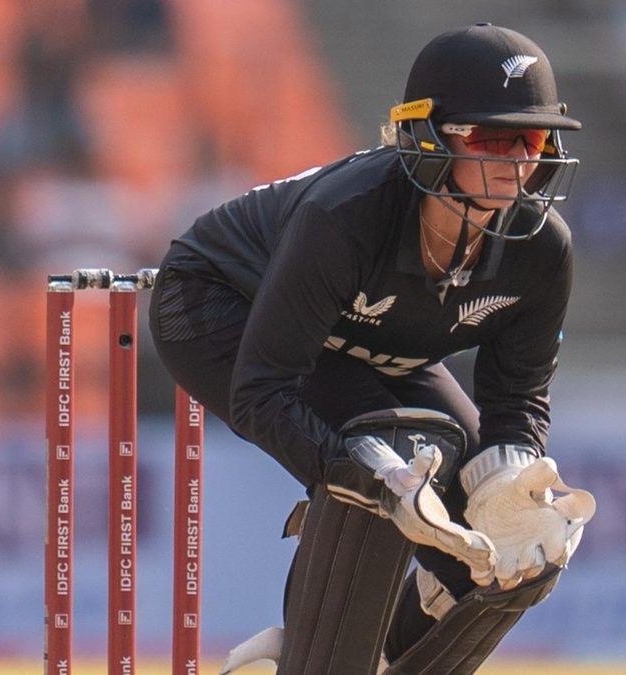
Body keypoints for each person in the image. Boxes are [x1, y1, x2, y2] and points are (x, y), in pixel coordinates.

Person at [148, 23, 596, 674]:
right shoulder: (347, 216)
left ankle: (378, 651)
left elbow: (518, 397)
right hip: (218, 307)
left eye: (530, 139)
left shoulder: (543, 249)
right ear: (428, 137)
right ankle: (314, 654)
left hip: (364, 342)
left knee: (515, 554)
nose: (517, 161)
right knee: (392, 457)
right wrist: (373, 479)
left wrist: (511, 476)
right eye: (492, 138)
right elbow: (262, 389)